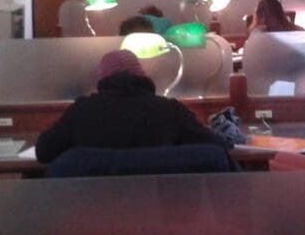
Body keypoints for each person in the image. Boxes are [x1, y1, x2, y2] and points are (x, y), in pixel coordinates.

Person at [35, 49, 227, 163]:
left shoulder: (82, 110)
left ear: (102, 79)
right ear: (141, 76)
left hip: (93, 214)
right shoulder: (169, 110)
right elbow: (217, 146)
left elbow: (43, 151)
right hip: (159, 215)